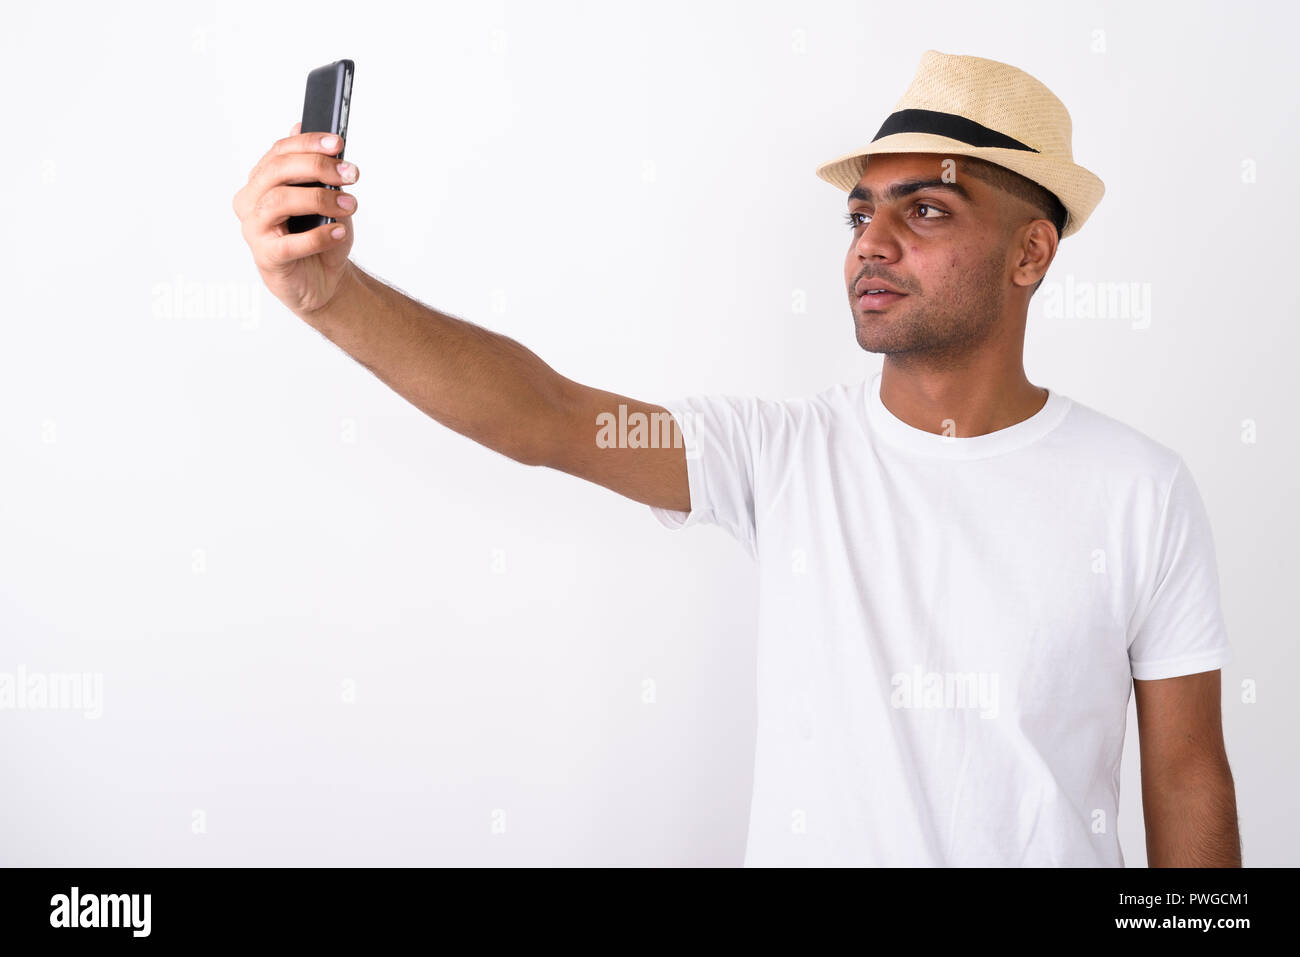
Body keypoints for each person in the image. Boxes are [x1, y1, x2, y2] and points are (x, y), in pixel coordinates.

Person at [232, 50, 1239, 867]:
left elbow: (1187, 775)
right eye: (860, 212)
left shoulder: (1137, 490)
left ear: (1030, 254)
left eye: (924, 209)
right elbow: (549, 416)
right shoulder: (782, 456)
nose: (869, 242)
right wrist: (333, 296)